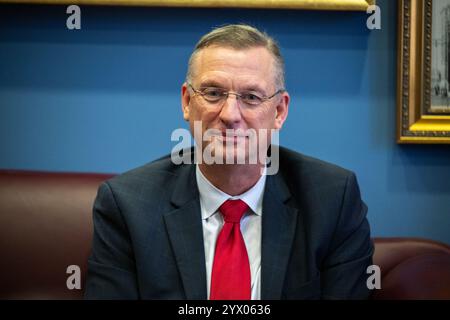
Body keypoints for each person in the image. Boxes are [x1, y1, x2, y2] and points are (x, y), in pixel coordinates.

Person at [85, 24, 374, 300]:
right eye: (213, 93)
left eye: (251, 97)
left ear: (279, 111)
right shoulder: (127, 206)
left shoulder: (333, 201)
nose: (230, 114)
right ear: (187, 102)